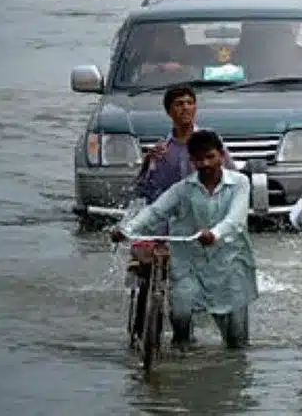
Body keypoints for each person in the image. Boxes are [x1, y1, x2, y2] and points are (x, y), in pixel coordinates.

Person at [110, 130, 258, 349]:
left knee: (236, 338)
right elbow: (154, 212)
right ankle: (183, 354)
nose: (205, 163)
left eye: (210, 157)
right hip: (189, 262)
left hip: (230, 262)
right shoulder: (182, 189)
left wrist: (214, 234)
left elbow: (236, 219)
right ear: (192, 161)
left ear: (222, 156)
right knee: (180, 314)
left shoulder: (240, 183)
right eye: (199, 159)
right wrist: (126, 229)